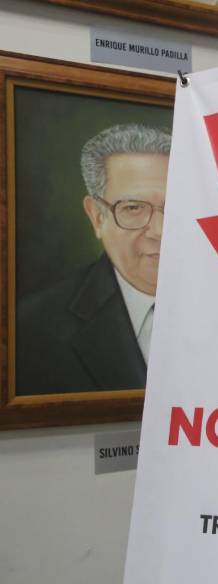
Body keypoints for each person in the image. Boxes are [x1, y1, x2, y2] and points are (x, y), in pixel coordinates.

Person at [16, 123, 170, 395]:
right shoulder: (31, 327)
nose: (159, 231)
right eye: (133, 208)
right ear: (97, 217)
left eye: (174, 206)